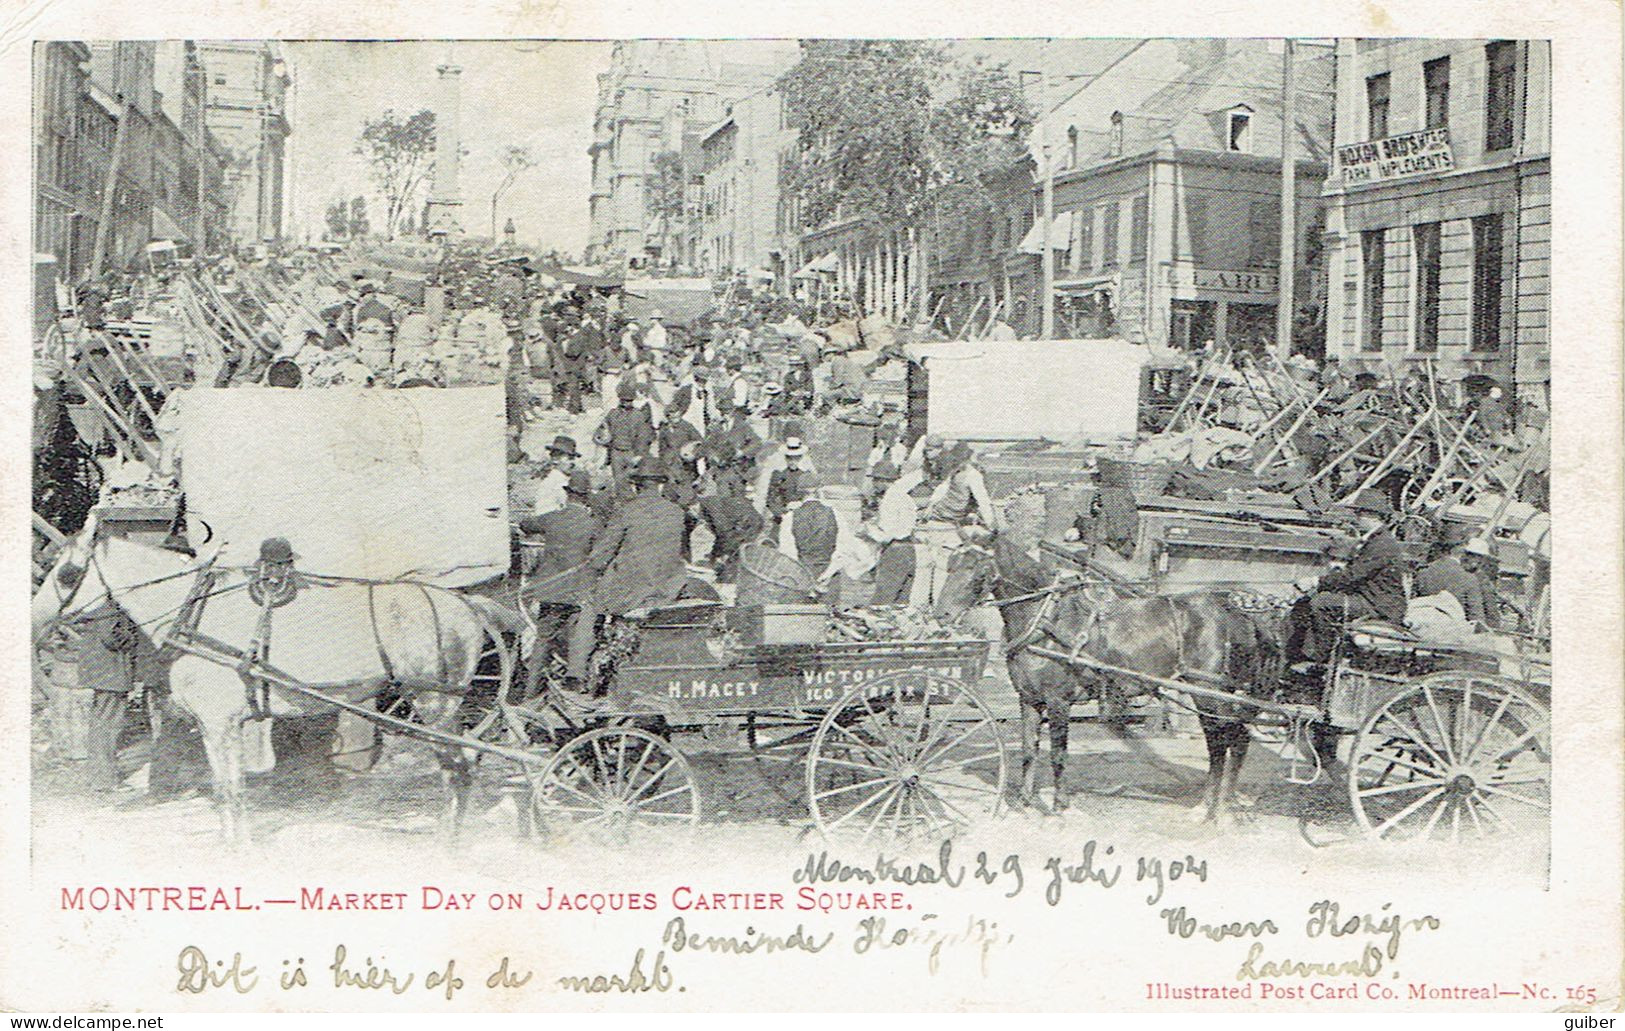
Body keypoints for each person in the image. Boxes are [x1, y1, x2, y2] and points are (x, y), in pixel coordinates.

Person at [564, 458, 687, 690]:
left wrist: (592, 565)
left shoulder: (627, 511)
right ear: (661, 484)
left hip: (631, 590)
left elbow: (602, 556)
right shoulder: (676, 512)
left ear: (636, 485)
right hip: (669, 588)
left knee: (589, 609)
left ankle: (576, 673)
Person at [1287, 490, 1409, 666]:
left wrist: (1316, 581)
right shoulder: (1376, 540)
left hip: (1380, 606)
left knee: (1322, 604)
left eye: (1358, 514)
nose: (1356, 519)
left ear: (1371, 515)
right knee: (1312, 601)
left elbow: (1353, 575)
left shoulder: (1382, 544)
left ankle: (1322, 661)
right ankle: (1306, 655)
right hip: (1372, 600)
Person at [516, 470, 600, 690]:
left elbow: (526, 525)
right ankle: (573, 687)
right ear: (586, 497)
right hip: (577, 593)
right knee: (576, 638)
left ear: (567, 495)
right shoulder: (593, 525)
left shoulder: (553, 519)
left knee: (543, 639)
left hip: (551, 591)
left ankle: (531, 689)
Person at [598, 379, 655, 500]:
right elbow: (601, 431)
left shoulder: (638, 415)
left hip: (631, 452)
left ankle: (639, 503)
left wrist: (639, 454)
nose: (626, 403)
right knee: (619, 481)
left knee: (636, 479)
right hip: (616, 452)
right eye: (624, 400)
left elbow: (643, 437)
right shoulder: (613, 414)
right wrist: (602, 438)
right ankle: (624, 504)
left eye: (629, 400)